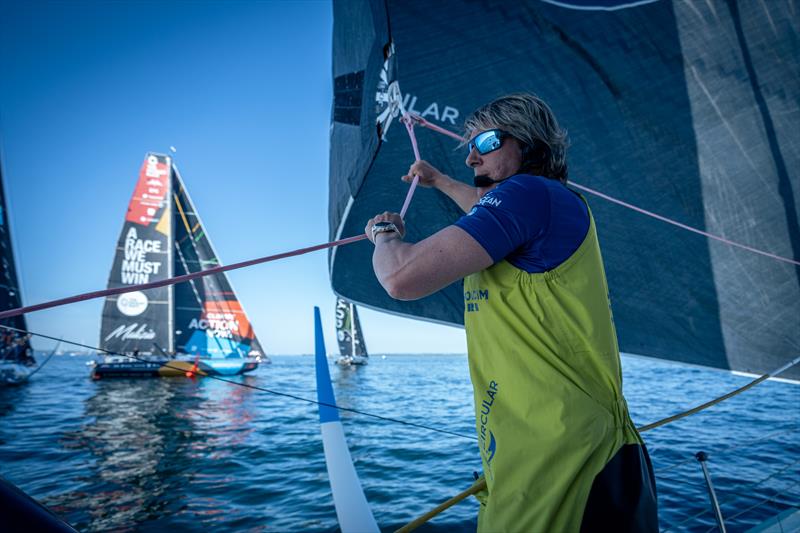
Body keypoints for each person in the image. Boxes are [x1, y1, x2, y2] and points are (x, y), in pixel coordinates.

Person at [366, 93, 657, 532]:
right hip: (556, 452)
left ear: (528, 143)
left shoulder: (529, 194)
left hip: (565, 465)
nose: (471, 158)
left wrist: (385, 236)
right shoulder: (541, 203)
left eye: (484, 143)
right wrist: (441, 181)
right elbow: (486, 211)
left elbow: (401, 278)